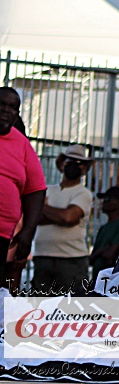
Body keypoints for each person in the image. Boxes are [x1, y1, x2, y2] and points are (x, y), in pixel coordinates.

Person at [32, 144, 95, 294]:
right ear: (61, 164)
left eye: (79, 163)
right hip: (43, 257)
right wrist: (58, 216)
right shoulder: (47, 190)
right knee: (40, 308)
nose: (73, 166)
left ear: (84, 168)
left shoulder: (83, 193)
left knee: (70, 308)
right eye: (69, 161)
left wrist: (40, 206)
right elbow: (35, 217)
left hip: (71, 259)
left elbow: (68, 217)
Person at [0, 87, 46, 288]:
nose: (6, 110)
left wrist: (28, 232)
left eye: (12, 107)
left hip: (4, 236)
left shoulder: (22, 144)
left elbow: (36, 190)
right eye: (1, 104)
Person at [90, 186, 119, 276]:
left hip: (109, 279)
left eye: (107, 199)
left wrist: (100, 252)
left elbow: (110, 254)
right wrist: (101, 251)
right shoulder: (104, 227)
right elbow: (91, 259)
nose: (104, 202)